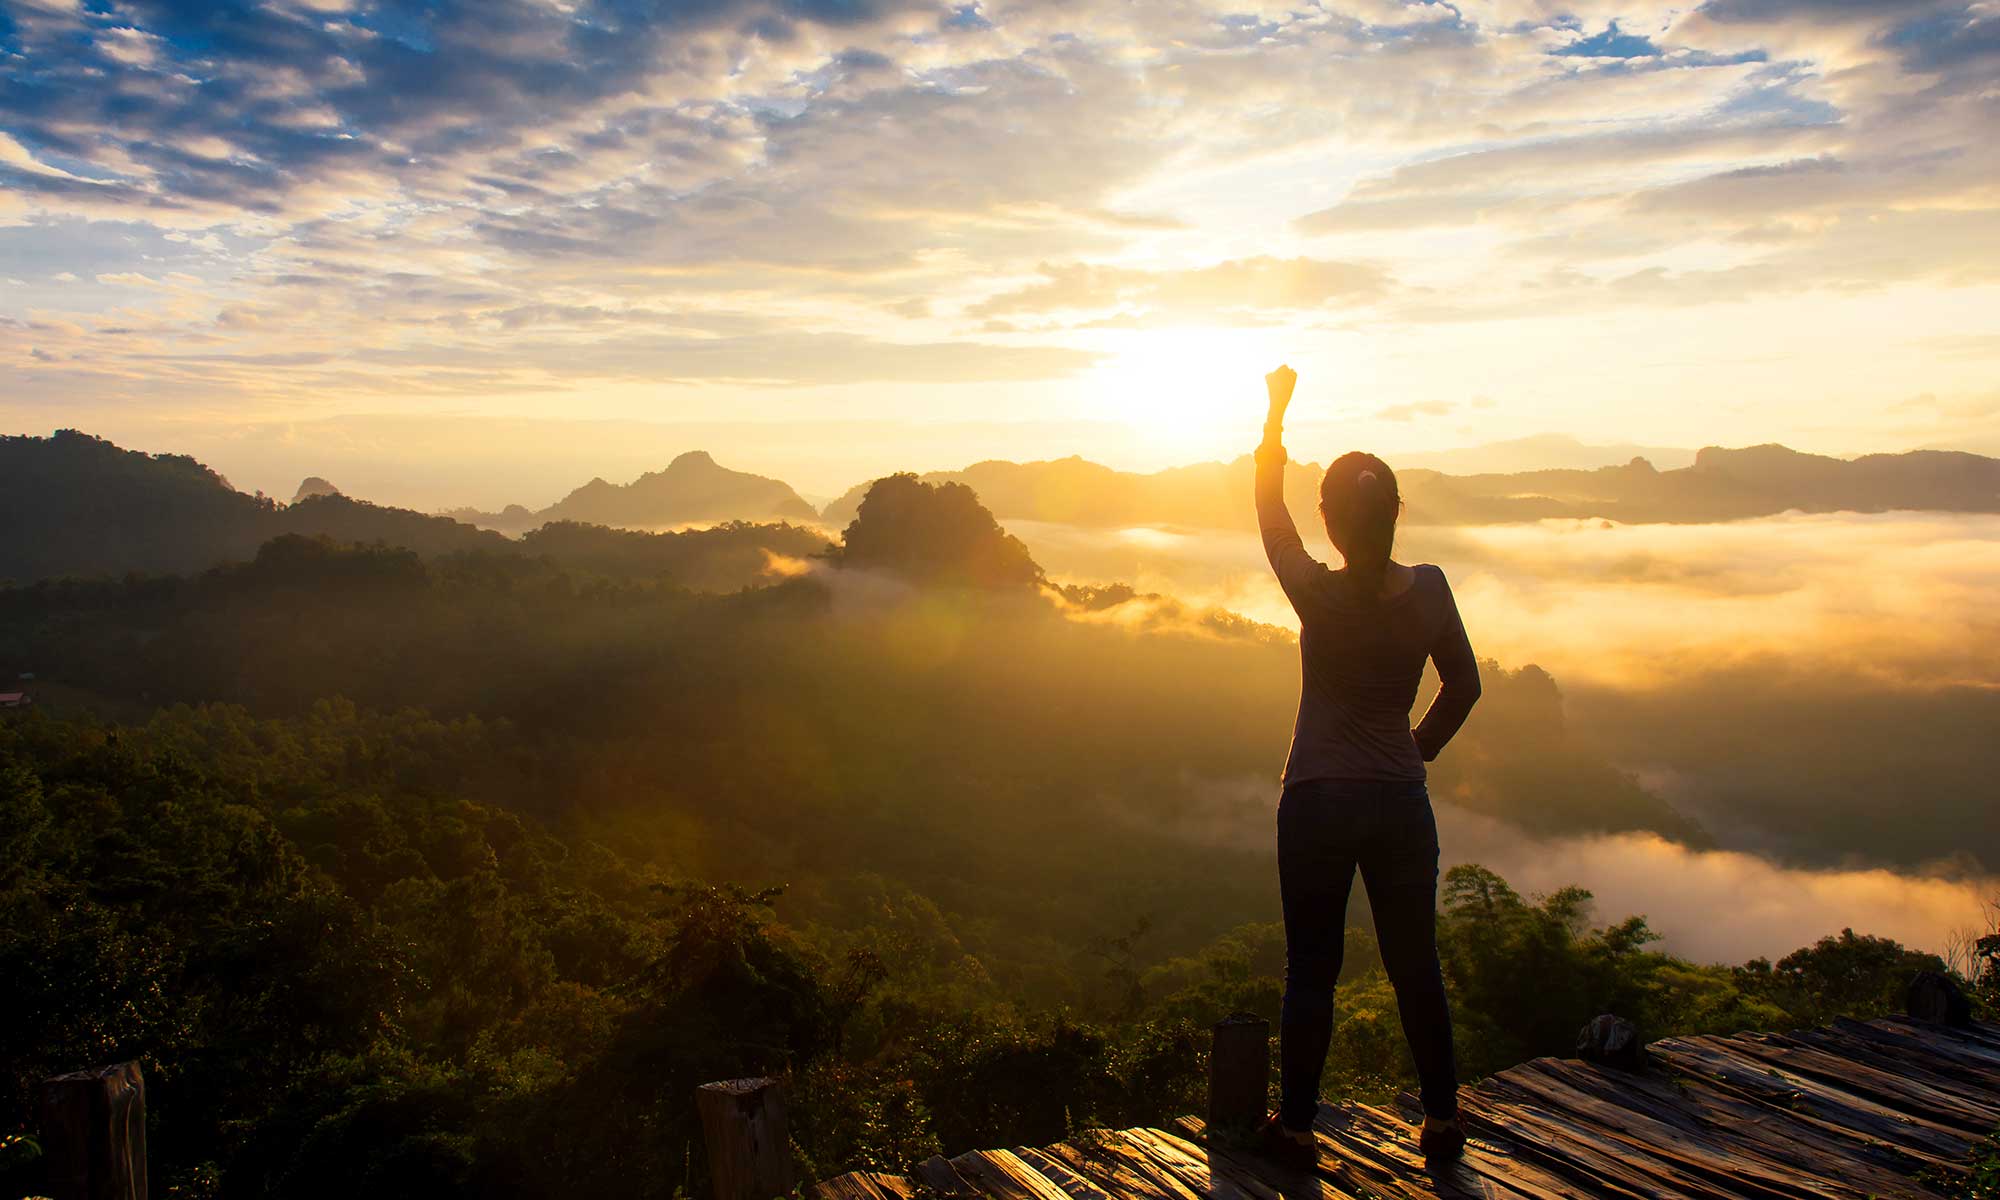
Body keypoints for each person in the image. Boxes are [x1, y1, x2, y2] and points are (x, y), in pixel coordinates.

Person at [1251, 364, 1480, 1169]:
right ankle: (1445, 1122)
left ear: (1335, 524)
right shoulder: (1428, 590)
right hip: (1398, 803)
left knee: (1312, 963)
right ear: (1394, 517)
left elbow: (1269, 513)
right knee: (1414, 957)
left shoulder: (1317, 590)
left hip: (1316, 797)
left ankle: (1300, 1129)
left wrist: (1275, 417)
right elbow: (1465, 684)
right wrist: (1417, 746)